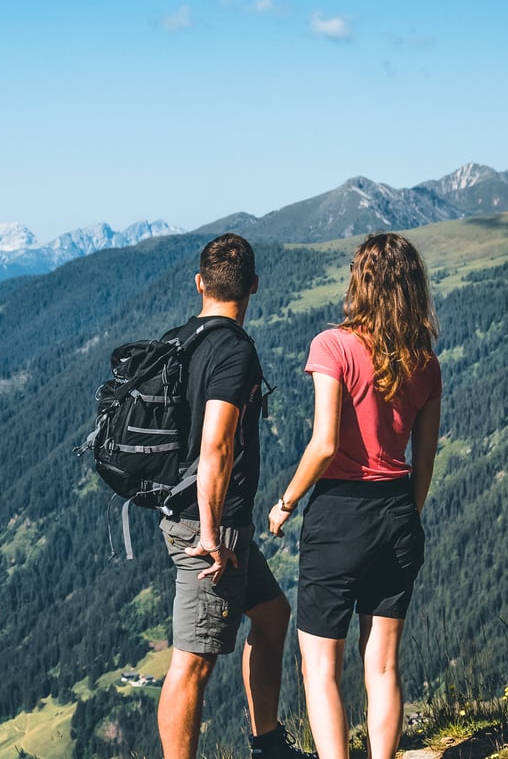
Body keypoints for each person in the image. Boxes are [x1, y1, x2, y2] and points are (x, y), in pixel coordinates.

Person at [267, 232, 442, 759]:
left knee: (320, 666)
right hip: (397, 511)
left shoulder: (333, 345)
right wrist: (404, 517)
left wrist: (286, 502)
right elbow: (425, 460)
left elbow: (323, 445)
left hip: (340, 515)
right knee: (383, 665)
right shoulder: (425, 362)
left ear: (359, 283)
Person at [156, 233, 311, 759]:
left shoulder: (183, 339)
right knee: (193, 662)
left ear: (200, 284)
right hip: (210, 528)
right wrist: (209, 534)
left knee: (271, 615)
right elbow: (216, 445)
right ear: (255, 287)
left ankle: (267, 744)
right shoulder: (234, 350)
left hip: (217, 521)